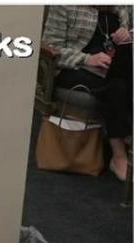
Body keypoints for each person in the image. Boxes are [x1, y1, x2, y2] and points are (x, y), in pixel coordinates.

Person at [43, 5, 132, 180]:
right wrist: (87, 59)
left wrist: (126, 34)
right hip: (76, 68)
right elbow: (51, 47)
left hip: (113, 66)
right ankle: (119, 156)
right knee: (117, 87)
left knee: (123, 76)